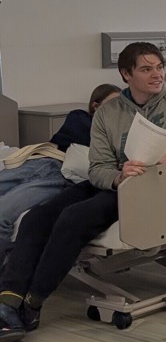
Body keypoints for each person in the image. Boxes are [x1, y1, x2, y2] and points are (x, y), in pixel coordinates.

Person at [0, 43, 166, 342]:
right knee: (37, 217)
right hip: (116, 180)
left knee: (74, 218)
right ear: (126, 74)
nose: (157, 75)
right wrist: (118, 176)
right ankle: (9, 302)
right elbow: (97, 167)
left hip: (154, 186)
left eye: (160, 67)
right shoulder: (108, 113)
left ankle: (32, 303)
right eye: (146, 69)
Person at [0, 84, 120, 258]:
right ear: (96, 106)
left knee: (2, 214)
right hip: (38, 162)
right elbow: (90, 135)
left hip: (59, 175)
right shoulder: (79, 117)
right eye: (113, 104)